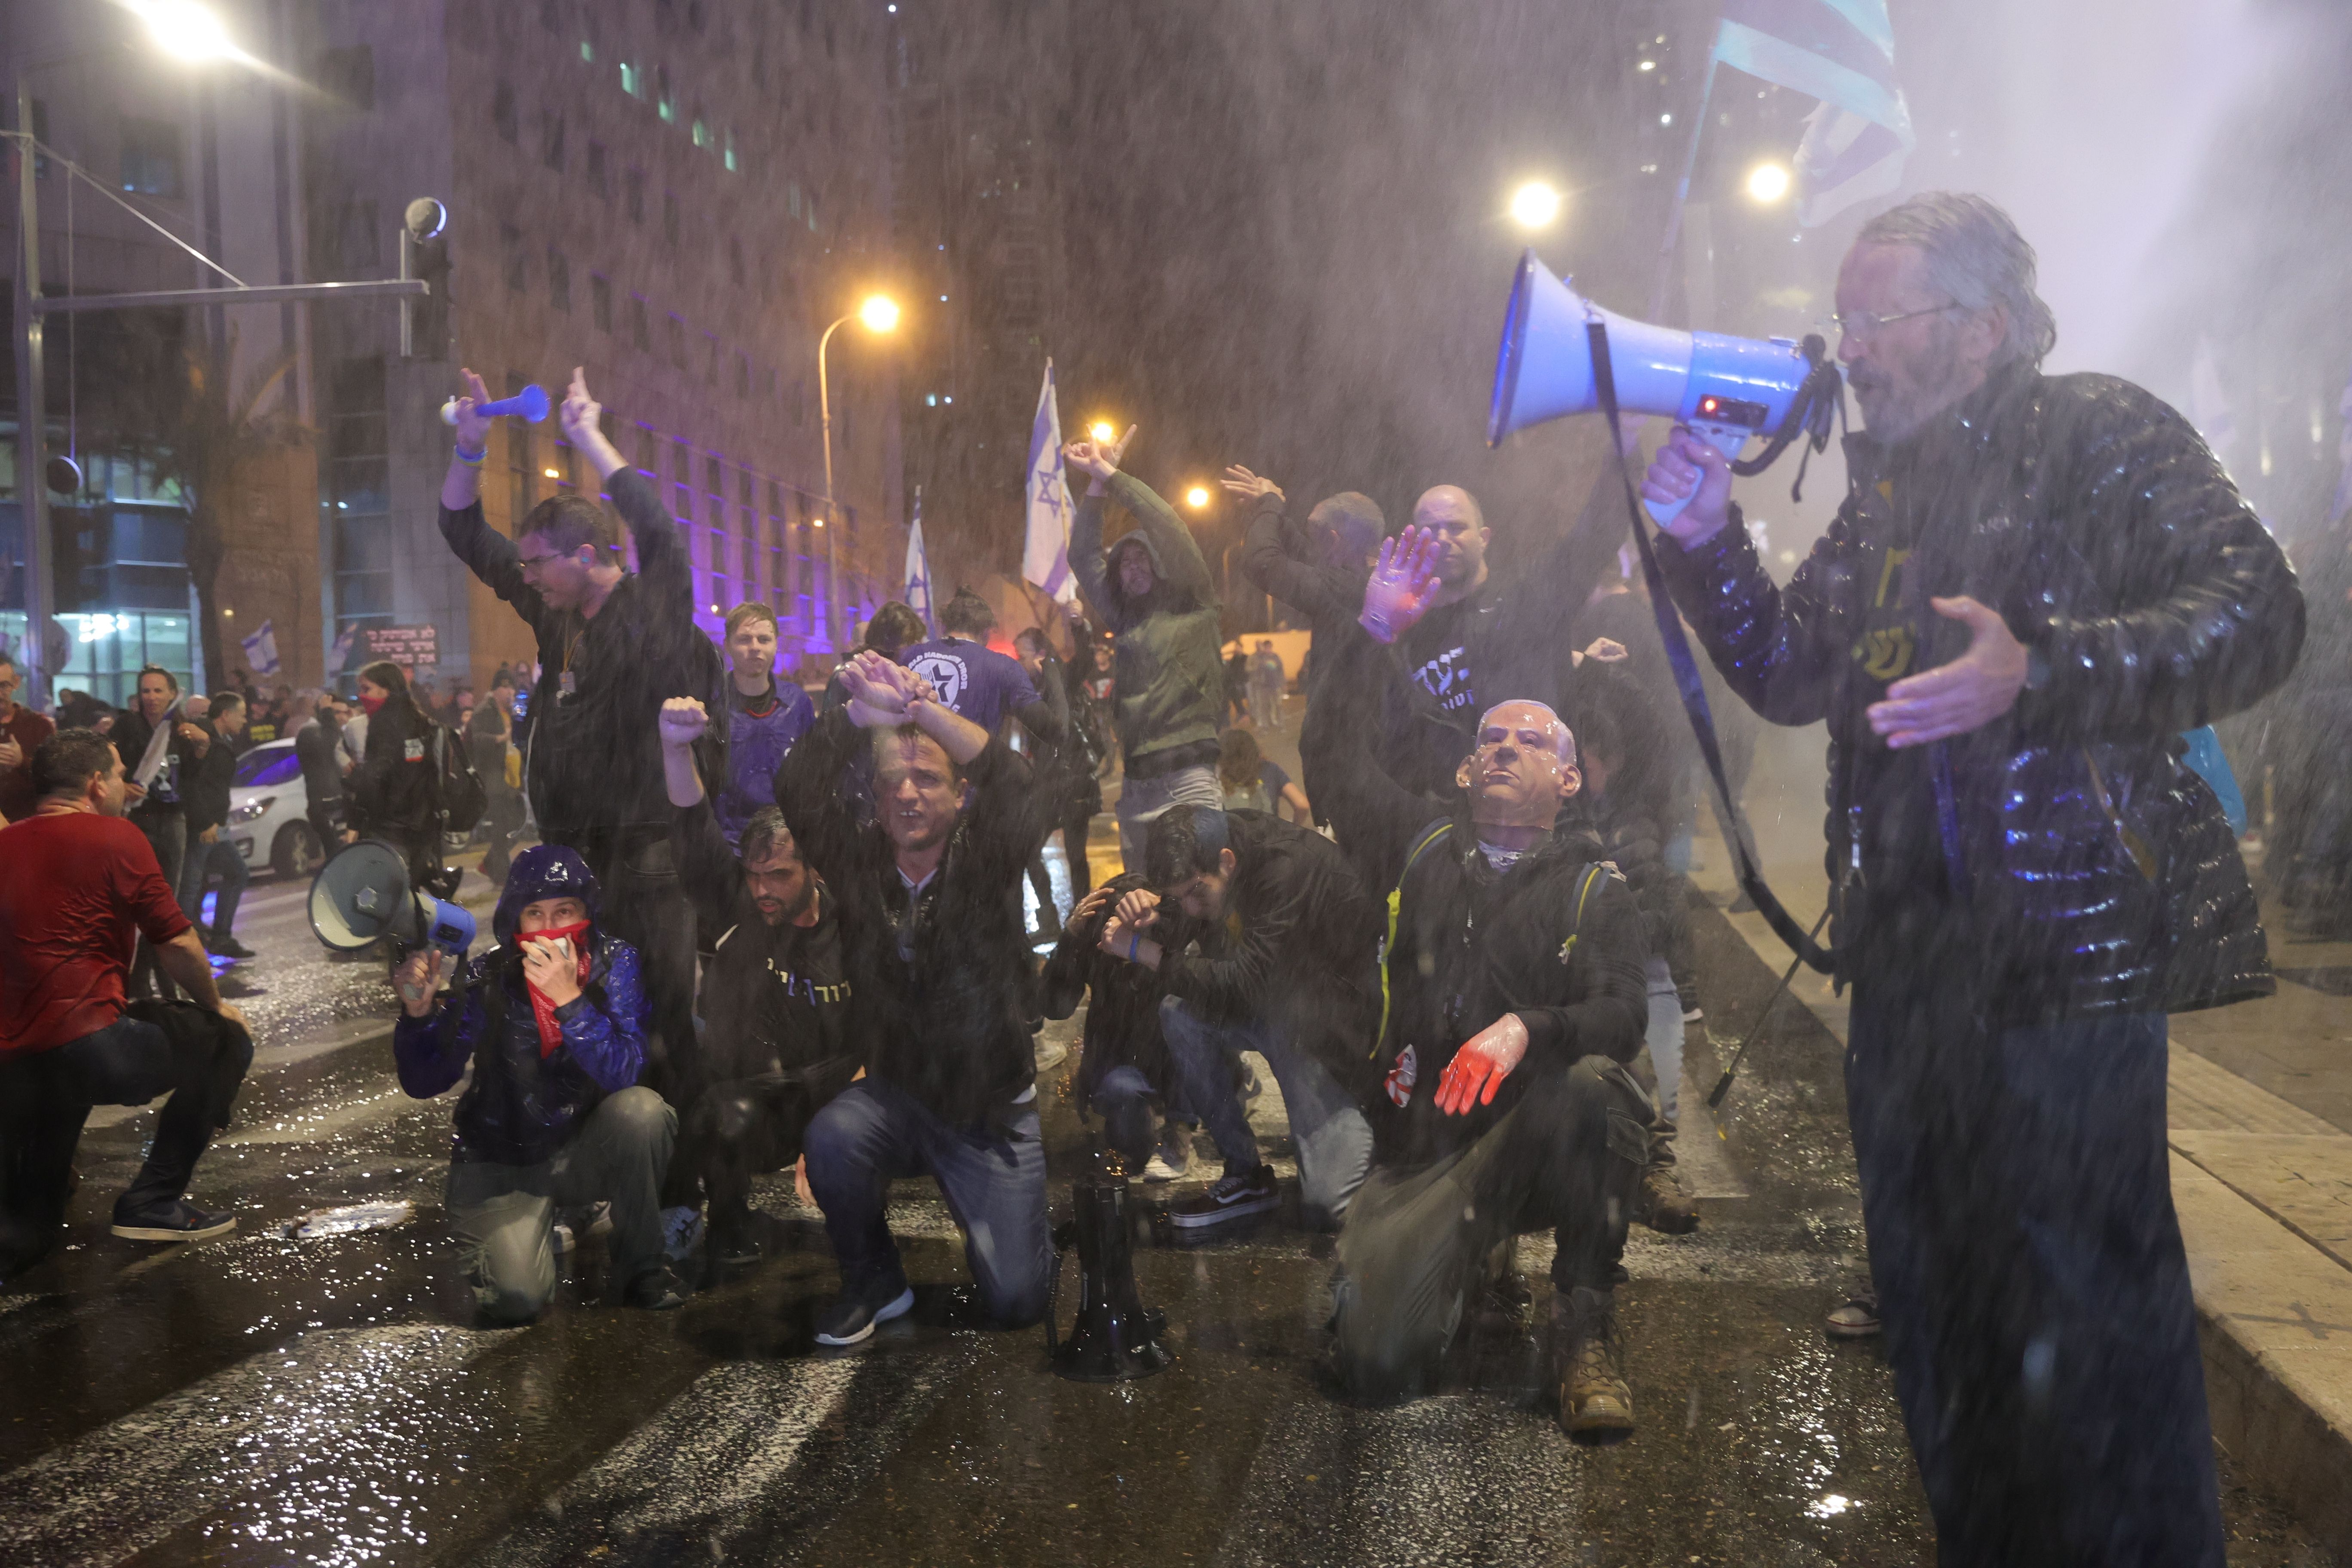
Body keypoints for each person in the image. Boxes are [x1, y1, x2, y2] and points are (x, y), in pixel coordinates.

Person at [1642, 191, 2303, 1564]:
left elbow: (2260, 609)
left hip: (2062, 966)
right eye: (1847, 316)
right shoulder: (1880, 492)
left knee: (2094, 1327)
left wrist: (2046, 671)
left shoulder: (2095, 432)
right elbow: (1793, 674)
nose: (1851, 347)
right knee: (1941, 1313)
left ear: (1982, 326)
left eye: (1876, 315)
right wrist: (1706, 536)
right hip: (1907, 973)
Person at [1299, 545, 1653, 1435]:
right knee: (1376, 1366)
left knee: (1596, 1087)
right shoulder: (1420, 847)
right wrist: (1372, 630)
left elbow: (1625, 1015)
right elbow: (1333, 760)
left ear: (1567, 782)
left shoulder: (1594, 889)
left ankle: (1584, 1327)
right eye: (1489, 739)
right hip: (1424, 1148)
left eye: (1530, 741)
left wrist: (1527, 1030)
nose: (1502, 748)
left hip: (1532, 1137)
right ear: (1464, 772)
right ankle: (1467, 1255)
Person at [438, 366, 722, 1179]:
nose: (523, 576)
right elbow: (463, 529)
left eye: (537, 564)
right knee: (574, 1017)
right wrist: (468, 445)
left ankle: (689, 1186)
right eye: (523, 566)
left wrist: (589, 433)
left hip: (649, 856)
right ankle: (601, 1169)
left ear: (590, 556)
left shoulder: (654, 609)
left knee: (664, 1020)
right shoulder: (552, 613)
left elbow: (659, 530)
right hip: (574, 861)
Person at [778, 652, 1052, 1345]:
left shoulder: (990, 854)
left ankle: (1032, 1229)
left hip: (988, 1110)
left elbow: (1019, 783)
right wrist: (861, 716)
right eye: (893, 781)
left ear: (961, 797)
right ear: (874, 799)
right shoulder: (858, 857)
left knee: (1020, 1300)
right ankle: (875, 1281)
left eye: (928, 778)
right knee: (834, 1135)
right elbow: (796, 783)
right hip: (901, 1097)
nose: (908, 794)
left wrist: (923, 711)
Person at [390, 845, 685, 1320]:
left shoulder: (615, 962)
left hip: (580, 1148)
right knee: (519, 1298)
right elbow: (426, 1081)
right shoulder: (491, 975)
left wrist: (571, 1002)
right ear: (516, 922)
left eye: (565, 911)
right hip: (503, 1159)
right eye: (536, 913)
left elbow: (626, 1069)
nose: (550, 928)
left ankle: (642, 1266)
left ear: (587, 913)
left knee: (643, 1112)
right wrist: (420, 1015)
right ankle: (526, 1228)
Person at [0, 730, 253, 1276]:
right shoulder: (116, 837)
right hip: (94, 1047)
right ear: (95, 784)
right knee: (222, 1040)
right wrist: (216, 1006)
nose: (123, 786)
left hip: (18, 1060)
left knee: (28, 1237)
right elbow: (178, 941)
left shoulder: (6, 843)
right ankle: (153, 1201)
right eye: (117, 774)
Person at [1101, 803, 1380, 1231]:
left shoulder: (1284, 868)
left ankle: (1376, 1128)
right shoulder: (1215, 846)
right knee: (1179, 1013)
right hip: (1277, 1008)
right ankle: (1245, 1173)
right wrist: (1153, 915)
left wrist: (1144, 951)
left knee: (1328, 1207)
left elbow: (1243, 983)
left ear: (1227, 861)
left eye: (1195, 893)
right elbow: (1198, 925)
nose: (1191, 908)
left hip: (1328, 1030)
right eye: (1180, 898)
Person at [657, 697, 858, 1265]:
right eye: (754, 876)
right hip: (763, 1097)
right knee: (703, 1093)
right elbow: (693, 822)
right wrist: (676, 747)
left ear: (813, 871)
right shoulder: (737, 908)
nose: (763, 889)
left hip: (841, 1088)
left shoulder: (855, 922)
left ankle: (863, 1231)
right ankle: (721, 1219)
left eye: (779, 876)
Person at [1066, 428, 1228, 869]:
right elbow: (1082, 556)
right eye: (1124, 563)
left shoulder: (1194, 602)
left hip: (1189, 775)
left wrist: (1113, 476)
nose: (1132, 569)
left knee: (1205, 892)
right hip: (1137, 781)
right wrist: (1095, 489)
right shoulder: (1124, 617)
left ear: (1159, 564)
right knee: (1144, 900)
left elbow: (1169, 528)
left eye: (1141, 559)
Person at [1040, 876, 1191, 1180]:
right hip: (1122, 1061)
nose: (1118, 939)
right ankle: (1149, 1116)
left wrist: (1169, 916)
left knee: (1191, 1025)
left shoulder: (1171, 931)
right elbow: (1054, 1007)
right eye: (1111, 931)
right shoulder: (1097, 943)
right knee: (1130, 1131)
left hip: (1177, 1060)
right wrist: (1070, 937)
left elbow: (1222, 987)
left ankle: (1184, 1123)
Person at [1227, 469, 1384, 699]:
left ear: (1334, 540)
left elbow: (1261, 562)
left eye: (1316, 540)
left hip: (1347, 729)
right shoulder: (1377, 581)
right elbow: (1309, 555)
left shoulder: (1349, 590)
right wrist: (1270, 507)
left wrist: (1270, 505)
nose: (1312, 548)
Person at [112, 667, 208, 1001]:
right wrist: (121, 786)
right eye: (145, 691)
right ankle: (140, 979)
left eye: (157, 691)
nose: (151, 698)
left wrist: (201, 746)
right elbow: (106, 764)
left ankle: (149, 978)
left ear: (172, 694)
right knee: (136, 902)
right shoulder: (127, 726)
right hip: (139, 819)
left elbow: (194, 778)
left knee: (166, 903)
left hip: (174, 819)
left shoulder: (181, 729)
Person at [714, 602, 816, 850]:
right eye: (744, 639)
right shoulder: (712, 704)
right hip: (728, 845)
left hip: (787, 843)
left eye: (764, 639)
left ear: (776, 644)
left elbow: (812, 776)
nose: (755, 648)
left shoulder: (797, 703)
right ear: (728, 646)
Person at [346, 661, 453, 900]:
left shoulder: (383, 723)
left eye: (367, 689)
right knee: (409, 892)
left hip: (391, 825)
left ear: (386, 690)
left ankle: (401, 936)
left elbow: (376, 775)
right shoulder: (421, 720)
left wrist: (355, 818)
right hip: (423, 825)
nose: (362, 696)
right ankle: (418, 934)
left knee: (389, 897)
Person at [899, 589, 1064, 741]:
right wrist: (1052, 670)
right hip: (968, 771)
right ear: (986, 632)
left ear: (943, 626)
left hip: (908, 767)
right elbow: (1055, 733)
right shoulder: (1003, 667)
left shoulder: (908, 656)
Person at [178, 692, 254, 960]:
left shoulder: (219, 741)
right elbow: (193, 785)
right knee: (190, 886)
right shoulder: (206, 741)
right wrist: (206, 823)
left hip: (215, 825)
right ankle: (185, 947)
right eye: (242, 714)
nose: (245, 721)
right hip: (204, 826)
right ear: (226, 715)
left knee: (236, 874)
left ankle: (220, 938)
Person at [468, 673, 524, 884]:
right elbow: (475, 738)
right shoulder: (485, 710)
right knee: (503, 826)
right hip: (494, 778)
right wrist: (499, 739)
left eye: (512, 689)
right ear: (495, 690)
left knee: (516, 824)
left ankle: (491, 864)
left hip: (511, 777)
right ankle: (501, 875)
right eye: (505, 688)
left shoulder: (510, 712)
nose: (510, 692)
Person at [821, 601, 928, 711]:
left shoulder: (902, 675)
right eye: (911, 645)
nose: (917, 652)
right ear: (889, 645)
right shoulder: (853, 675)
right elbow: (831, 723)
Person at [0, 652, 58, 823]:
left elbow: (55, 776)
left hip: (27, 824)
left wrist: (22, 761)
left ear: (16, 683)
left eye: (3, 686)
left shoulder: (38, 725)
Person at [296, 692, 352, 855]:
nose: (342, 717)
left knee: (348, 855)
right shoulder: (309, 732)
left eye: (345, 712)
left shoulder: (343, 735)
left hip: (341, 802)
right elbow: (328, 745)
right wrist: (327, 713)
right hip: (324, 805)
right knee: (337, 855)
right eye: (336, 712)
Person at [1216, 727, 1310, 823]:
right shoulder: (1270, 769)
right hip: (1270, 836)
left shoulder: (1218, 776)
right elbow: (1302, 805)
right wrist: (1292, 829)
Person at [1249, 640, 1289, 733]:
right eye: (1266, 647)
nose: (1268, 649)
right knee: (1264, 707)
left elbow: (1281, 671)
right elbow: (1257, 670)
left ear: (1271, 647)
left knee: (1279, 706)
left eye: (1269, 647)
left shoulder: (1276, 657)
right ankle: (1265, 727)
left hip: (1275, 686)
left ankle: (1282, 725)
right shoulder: (1260, 658)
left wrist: (1283, 684)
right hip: (1264, 686)